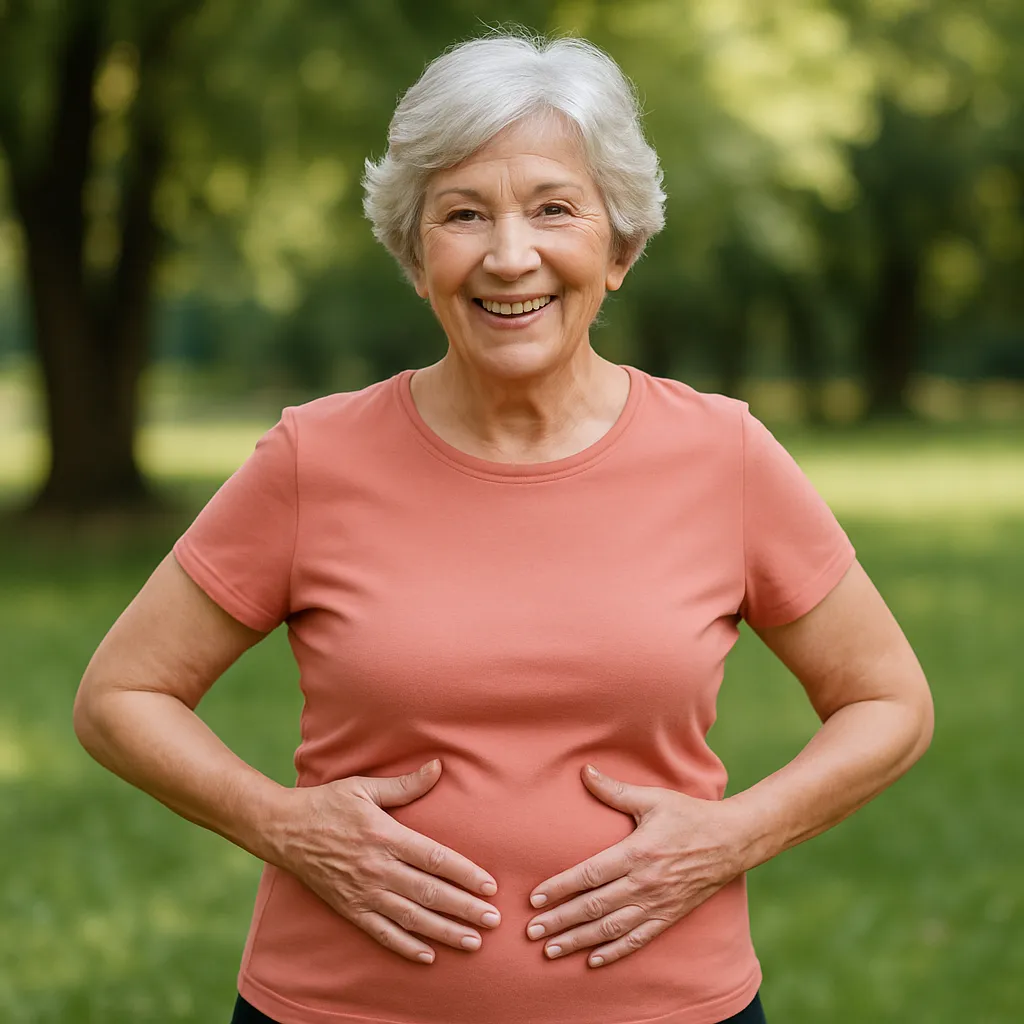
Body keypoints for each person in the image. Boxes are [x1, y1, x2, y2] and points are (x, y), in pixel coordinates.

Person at [73, 32, 934, 1024]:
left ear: (618, 248)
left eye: (553, 209)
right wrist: (282, 822)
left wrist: (731, 835)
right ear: (415, 252)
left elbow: (888, 701)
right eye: (463, 214)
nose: (509, 254)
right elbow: (121, 693)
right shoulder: (313, 458)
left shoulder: (723, 455)